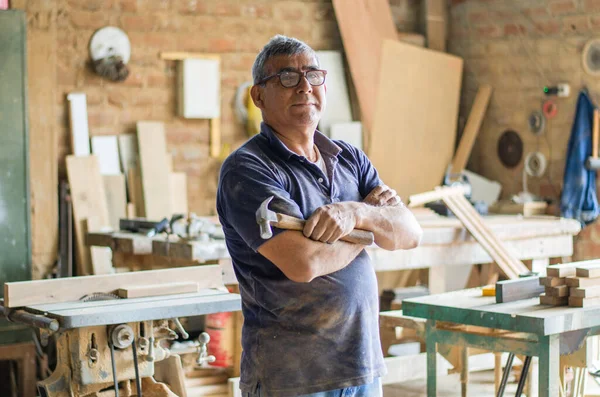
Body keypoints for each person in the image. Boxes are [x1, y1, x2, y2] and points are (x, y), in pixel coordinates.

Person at [216, 35, 423, 397]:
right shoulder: (248, 169)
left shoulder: (350, 159)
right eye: (287, 78)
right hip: (293, 378)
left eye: (312, 75)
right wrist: (371, 228)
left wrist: (354, 212)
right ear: (258, 96)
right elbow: (304, 263)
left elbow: (408, 234)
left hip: (361, 368)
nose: (304, 88)